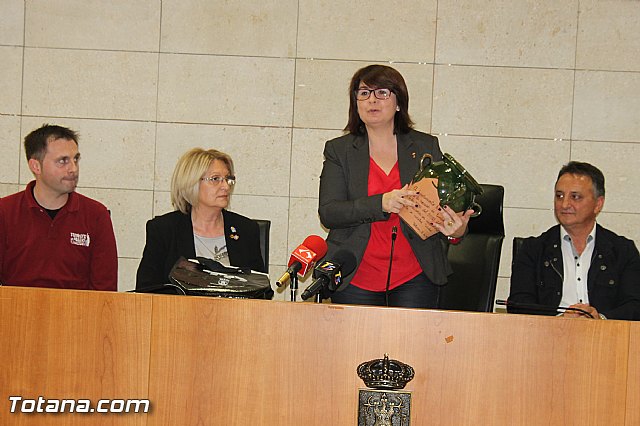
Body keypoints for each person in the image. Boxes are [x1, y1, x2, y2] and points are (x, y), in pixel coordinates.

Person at [318, 64, 473, 308]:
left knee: (409, 346)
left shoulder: (425, 147)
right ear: (355, 103)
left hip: (415, 274)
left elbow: (444, 206)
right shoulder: (340, 150)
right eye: (364, 93)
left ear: (399, 102)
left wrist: (456, 232)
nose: (372, 100)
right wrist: (381, 203)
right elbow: (329, 212)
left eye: (382, 93)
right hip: (357, 275)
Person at [509, 161, 640, 320]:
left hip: (605, 339)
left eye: (575, 197)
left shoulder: (623, 251)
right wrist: (560, 319)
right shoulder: (533, 250)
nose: (564, 204)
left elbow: (635, 306)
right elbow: (518, 305)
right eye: (559, 196)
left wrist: (600, 319)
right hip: (547, 337)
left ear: (598, 204)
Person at [0, 124, 118, 290]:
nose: (73, 169)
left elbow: (105, 289)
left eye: (75, 159)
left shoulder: (96, 215)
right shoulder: (4, 212)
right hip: (16, 312)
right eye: (63, 161)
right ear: (36, 166)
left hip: (77, 314)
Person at [136, 148, 266, 290]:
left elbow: (260, 291)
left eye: (228, 179)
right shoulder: (164, 230)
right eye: (216, 179)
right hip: (179, 311)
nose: (225, 186)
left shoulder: (246, 230)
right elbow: (146, 291)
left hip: (234, 312)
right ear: (191, 183)